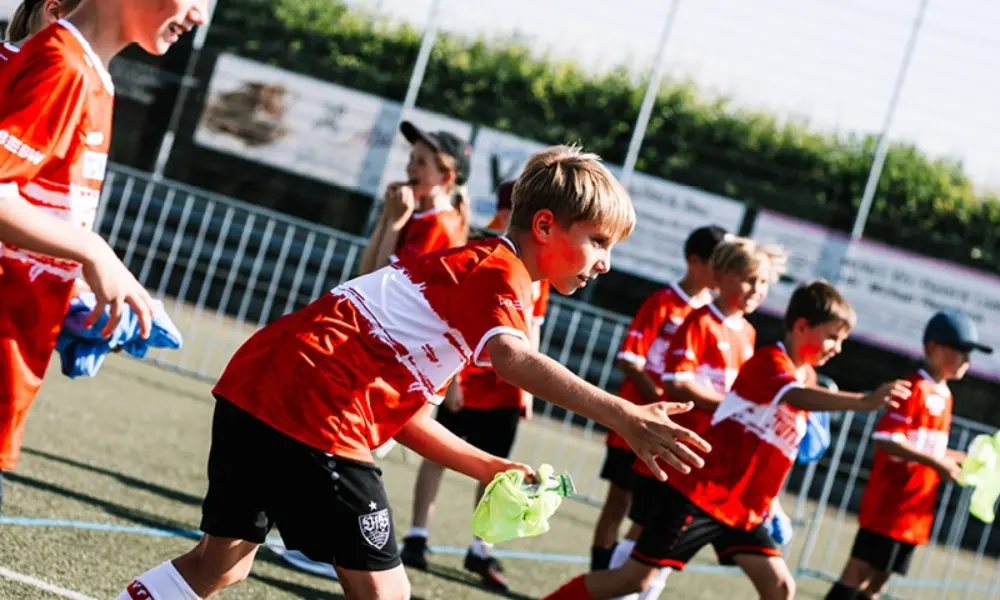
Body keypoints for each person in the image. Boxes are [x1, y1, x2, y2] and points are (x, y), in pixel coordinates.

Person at [115, 145, 713, 600]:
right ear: (546, 226)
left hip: (259, 384)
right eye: (599, 240)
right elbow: (513, 361)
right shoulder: (497, 274)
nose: (605, 263)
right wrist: (623, 412)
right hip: (316, 405)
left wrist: (490, 465)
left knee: (222, 563)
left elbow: (403, 417)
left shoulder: (472, 278)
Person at [545, 280, 912, 600]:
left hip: (742, 510)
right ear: (802, 327)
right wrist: (864, 402)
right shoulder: (772, 362)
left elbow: (775, 448)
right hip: (701, 495)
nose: (838, 347)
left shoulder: (808, 377)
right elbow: (793, 397)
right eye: (833, 336)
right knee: (633, 579)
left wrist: (773, 505)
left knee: (780, 588)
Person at [0, 0, 203, 512]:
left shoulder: (93, 73)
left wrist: (69, 293)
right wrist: (94, 252)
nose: (199, 15)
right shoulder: (62, 63)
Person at [606, 236, 785, 587]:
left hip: (705, 459)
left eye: (763, 282)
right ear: (721, 276)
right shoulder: (700, 321)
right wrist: (730, 409)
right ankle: (609, 588)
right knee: (642, 529)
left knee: (669, 544)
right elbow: (677, 381)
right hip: (674, 445)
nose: (756, 290)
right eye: (749, 279)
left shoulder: (748, 333)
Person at [399, 180, 551, 591]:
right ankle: (417, 534)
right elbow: (457, 326)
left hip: (505, 386)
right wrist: (453, 381)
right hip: (468, 377)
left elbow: (531, 330)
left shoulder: (544, 276)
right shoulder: (488, 256)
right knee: (438, 455)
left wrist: (528, 390)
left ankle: (482, 547)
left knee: (498, 468)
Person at [591, 225, 729, 571]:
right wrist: (657, 397)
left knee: (651, 511)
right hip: (637, 419)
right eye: (719, 262)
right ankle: (599, 574)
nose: (724, 272)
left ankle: (621, 580)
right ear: (694, 261)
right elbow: (630, 357)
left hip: (675, 429)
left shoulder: (714, 315)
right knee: (619, 501)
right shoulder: (663, 303)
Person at [825, 309, 987, 600]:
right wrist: (937, 462)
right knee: (857, 573)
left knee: (878, 583)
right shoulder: (912, 388)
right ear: (934, 349)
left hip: (915, 509)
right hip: (889, 504)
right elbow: (885, 439)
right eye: (960, 350)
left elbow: (926, 448)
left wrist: (963, 459)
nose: (967, 360)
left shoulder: (945, 394)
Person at [358, 121, 471, 275]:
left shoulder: (438, 224)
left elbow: (383, 282)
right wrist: (388, 215)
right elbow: (364, 275)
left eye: (421, 163)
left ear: (446, 178)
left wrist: (394, 223)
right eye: (411, 159)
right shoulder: (411, 212)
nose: (409, 168)